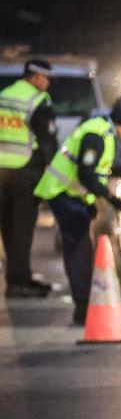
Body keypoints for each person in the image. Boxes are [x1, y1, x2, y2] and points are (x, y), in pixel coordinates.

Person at [33, 98, 121, 324]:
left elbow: (89, 177)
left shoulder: (102, 132)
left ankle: (84, 302)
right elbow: (86, 174)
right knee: (79, 249)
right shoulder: (97, 135)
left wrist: (90, 202)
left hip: (70, 195)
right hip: (61, 193)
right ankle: (83, 305)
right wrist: (111, 199)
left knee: (81, 247)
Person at [0, 58, 58, 297]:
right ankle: (18, 282)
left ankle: (18, 276)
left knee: (7, 227)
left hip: (0, 170)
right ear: (35, 77)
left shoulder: (4, 96)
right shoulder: (38, 101)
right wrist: (53, 171)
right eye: (46, 79)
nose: (47, 84)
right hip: (24, 171)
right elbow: (47, 141)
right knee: (22, 230)